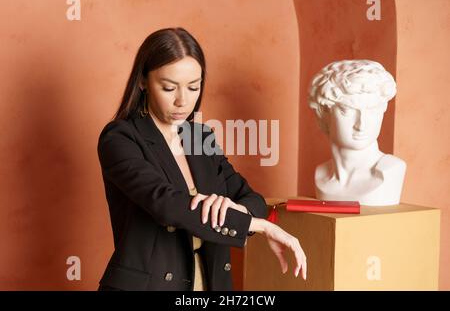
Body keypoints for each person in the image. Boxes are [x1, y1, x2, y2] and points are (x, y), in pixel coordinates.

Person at [97, 27, 307, 291]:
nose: (182, 101)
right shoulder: (120, 138)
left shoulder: (199, 136)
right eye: (168, 87)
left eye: (193, 87)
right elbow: (166, 204)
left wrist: (235, 209)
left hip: (210, 281)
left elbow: (250, 198)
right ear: (143, 82)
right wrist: (258, 226)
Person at [308, 60, 406, 206]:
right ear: (324, 113)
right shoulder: (321, 174)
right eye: (347, 111)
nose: (361, 124)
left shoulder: (391, 171)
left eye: (372, 111)